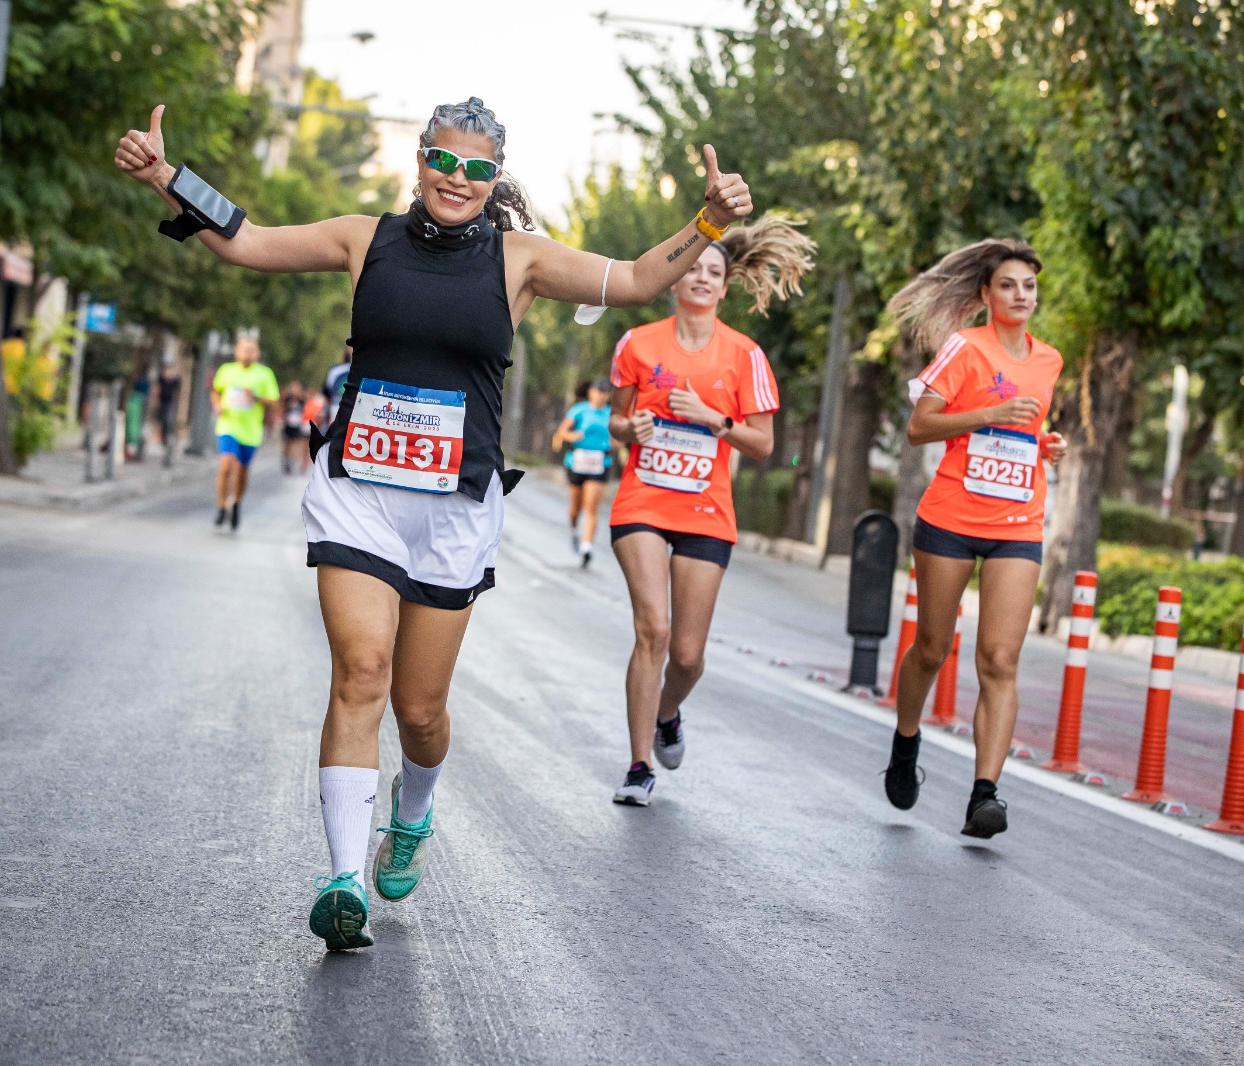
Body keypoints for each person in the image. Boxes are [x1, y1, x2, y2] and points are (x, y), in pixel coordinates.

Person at [116, 97, 755, 949]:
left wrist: (708, 221)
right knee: (361, 673)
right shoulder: (361, 238)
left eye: (477, 169)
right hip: (360, 491)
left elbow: (639, 278)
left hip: (455, 508)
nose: (458, 179)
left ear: (495, 180)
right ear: (419, 161)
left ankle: (412, 811)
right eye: (443, 162)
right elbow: (250, 240)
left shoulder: (520, 260)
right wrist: (169, 178)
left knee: (419, 711)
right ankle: (343, 878)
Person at [605, 217, 815, 805]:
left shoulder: (744, 356)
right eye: (691, 268)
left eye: (713, 272)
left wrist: (711, 418)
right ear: (674, 280)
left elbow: (763, 444)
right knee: (655, 629)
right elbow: (616, 422)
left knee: (689, 656)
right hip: (643, 499)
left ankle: (668, 710)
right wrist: (632, 426)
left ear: (726, 287)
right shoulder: (639, 344)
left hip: (705, 509)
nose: (701, 278)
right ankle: (639, 764)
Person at [881, 239, 1066, 839]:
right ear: (986, 296)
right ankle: (906, 744)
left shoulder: (1049, 361)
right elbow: (918, 428)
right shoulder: (965, 348)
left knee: (1001, 659)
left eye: (1029, 287)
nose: (1020, 296)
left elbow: (1024, 428)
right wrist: (986, 415)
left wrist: (1046, 445)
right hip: (952, 518)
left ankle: (985, 795)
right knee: (933, 648)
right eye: (1008, 285)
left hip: (1018, 519)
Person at [211, 333, 280, 530]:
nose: (247, 353)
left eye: (251, 350)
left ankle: (236, 503)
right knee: (226, 464)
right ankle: (222, 506)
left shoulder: (264, 374)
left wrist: (257, 397)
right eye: (244, 349)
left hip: (250, 432)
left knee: (241, 471)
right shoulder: (226, 371)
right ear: (237, 351)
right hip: (228, 425)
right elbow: (216, 390)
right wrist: (216, 404)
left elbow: (274, 402)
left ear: (256, 353)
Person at [552, 378, 614, 567]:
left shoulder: (611, 414)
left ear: (608, 395)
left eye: (603, 392)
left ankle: (587, 547)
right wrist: (572, 435)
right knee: (575, 507)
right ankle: (573, 529)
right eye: (596, 391)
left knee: (592, 506)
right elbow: (562, 432)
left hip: (599, 462)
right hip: (577, 461)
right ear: (590, 392)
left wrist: (617, 443)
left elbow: (619, 440)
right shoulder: (579, 410)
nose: (599, 396)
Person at [281, 382, 307, 474]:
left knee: (296, 443)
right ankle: (286, 460)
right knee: (287, 444)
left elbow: (305, 410)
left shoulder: (302, 400)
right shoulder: (287, 399)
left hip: (297, 425)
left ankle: (295, 462)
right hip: (288, 425)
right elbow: (282, 409)